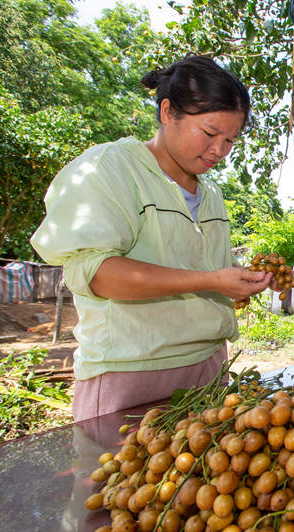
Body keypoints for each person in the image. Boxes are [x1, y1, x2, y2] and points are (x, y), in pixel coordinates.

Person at [31, 55, 274, 421]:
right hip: (130, 372)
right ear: (166, 112)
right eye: (209, 133)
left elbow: (198, 267)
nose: (220, 151)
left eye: (230, 140)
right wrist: (211, 281)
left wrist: (234, 280)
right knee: (116, 474)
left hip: (207, 367)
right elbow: (98, 274)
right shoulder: (109, 169)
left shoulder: (211, 195)